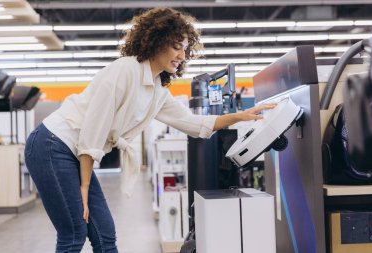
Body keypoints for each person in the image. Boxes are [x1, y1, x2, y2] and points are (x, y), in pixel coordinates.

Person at [24, 7, 275, 253]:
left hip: (73, 151)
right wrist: (84, 186)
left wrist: (239, 117)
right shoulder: (126, 69)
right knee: (74, 232)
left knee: (105, 235)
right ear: (157, 42)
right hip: (52, 143)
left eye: (185, 49)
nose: (181, 55)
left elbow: (195, 124)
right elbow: (94, 127)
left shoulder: (156, 92)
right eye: (177, 46)